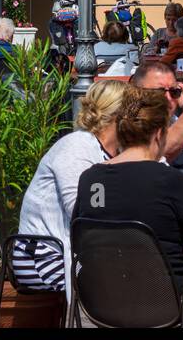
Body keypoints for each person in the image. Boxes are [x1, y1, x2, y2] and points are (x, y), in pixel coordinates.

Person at [75, 88, 183, 326]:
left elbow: (80, 241)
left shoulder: (89, 178)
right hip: (166, 300)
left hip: (104, 301)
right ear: (158, 134)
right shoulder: (167, 178)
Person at [13, 80, 127, 294]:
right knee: (143, 283)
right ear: (119, 115)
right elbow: (84, 213)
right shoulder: (78, 147)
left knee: (154, 275)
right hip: (44, 257)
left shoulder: (117, 152)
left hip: (81, 253)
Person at [130, 61, 183, 167]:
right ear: (136, 93)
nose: (168, 98)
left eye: (174, 92)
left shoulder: (178, 121)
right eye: (159, 92)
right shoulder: (128, 125)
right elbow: (153, 156)